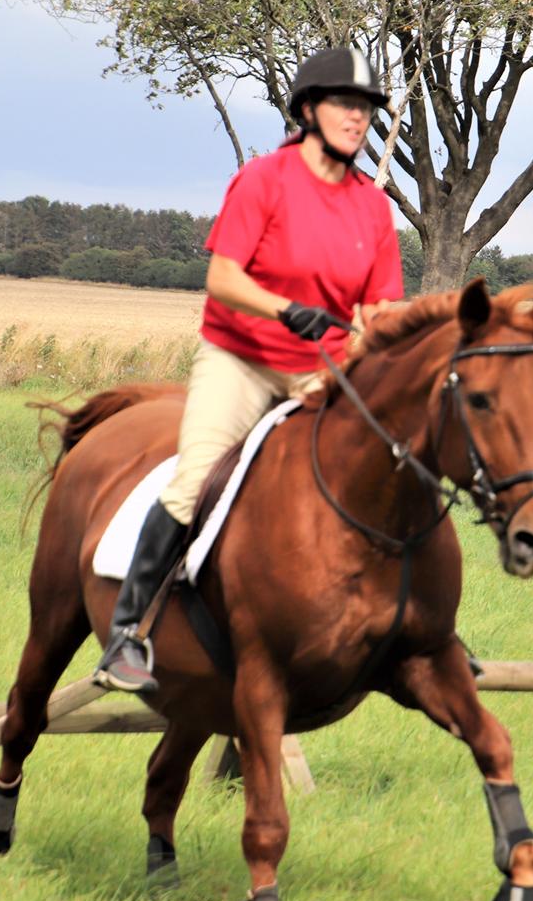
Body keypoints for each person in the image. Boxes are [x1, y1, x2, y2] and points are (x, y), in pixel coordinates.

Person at [95, 46, 404, 693]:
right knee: (196, 477)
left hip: (320, 370)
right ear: (308, 110)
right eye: (347, 105)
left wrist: (386, 336)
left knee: (383, 467)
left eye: (367, 109)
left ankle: (412, 629)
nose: (359, 118)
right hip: (239, 358)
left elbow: (377, 308)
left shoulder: (373, 209)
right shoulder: (264, 180)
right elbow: (222, 278)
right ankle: (129, 634)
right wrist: (286, 310)